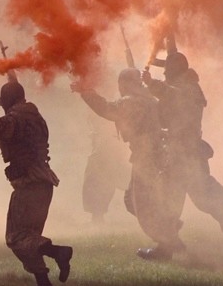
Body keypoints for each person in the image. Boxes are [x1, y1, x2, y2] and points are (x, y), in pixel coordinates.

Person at [142, 52, 223, 263]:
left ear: (175, 71)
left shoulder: (188, 88)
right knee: (173, 200)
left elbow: (174, 96)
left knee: (199, 198)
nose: (165, 74)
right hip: (180, 153)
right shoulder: (183, 86)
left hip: (186, 155)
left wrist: (152, 84)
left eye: (167, 71)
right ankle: (166, 248)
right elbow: (168, 111)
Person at [0, 80, 72, 286]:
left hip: (29, 184)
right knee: (30, 237)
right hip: (42, 184)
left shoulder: (18, 117)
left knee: (17, 237)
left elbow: (2, 127)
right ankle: (44, 285)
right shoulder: (34, 116)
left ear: (8, 99)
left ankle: (58, 253)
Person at [73, 69, 185, 260]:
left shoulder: (131, 102)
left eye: (121, 83)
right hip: (153, 155)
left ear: (125, 84)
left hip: (146, 157)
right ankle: (169, 233)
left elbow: (106, 109)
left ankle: (167, 242)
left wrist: (86, 92)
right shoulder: (149, 99)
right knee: (134, 200)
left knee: (141, 204)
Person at [81, 113, 130, 223]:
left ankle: (97, 216)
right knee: (99, 181)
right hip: (106, 148)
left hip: (110, 149)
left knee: (104, 180)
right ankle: (97, 216)